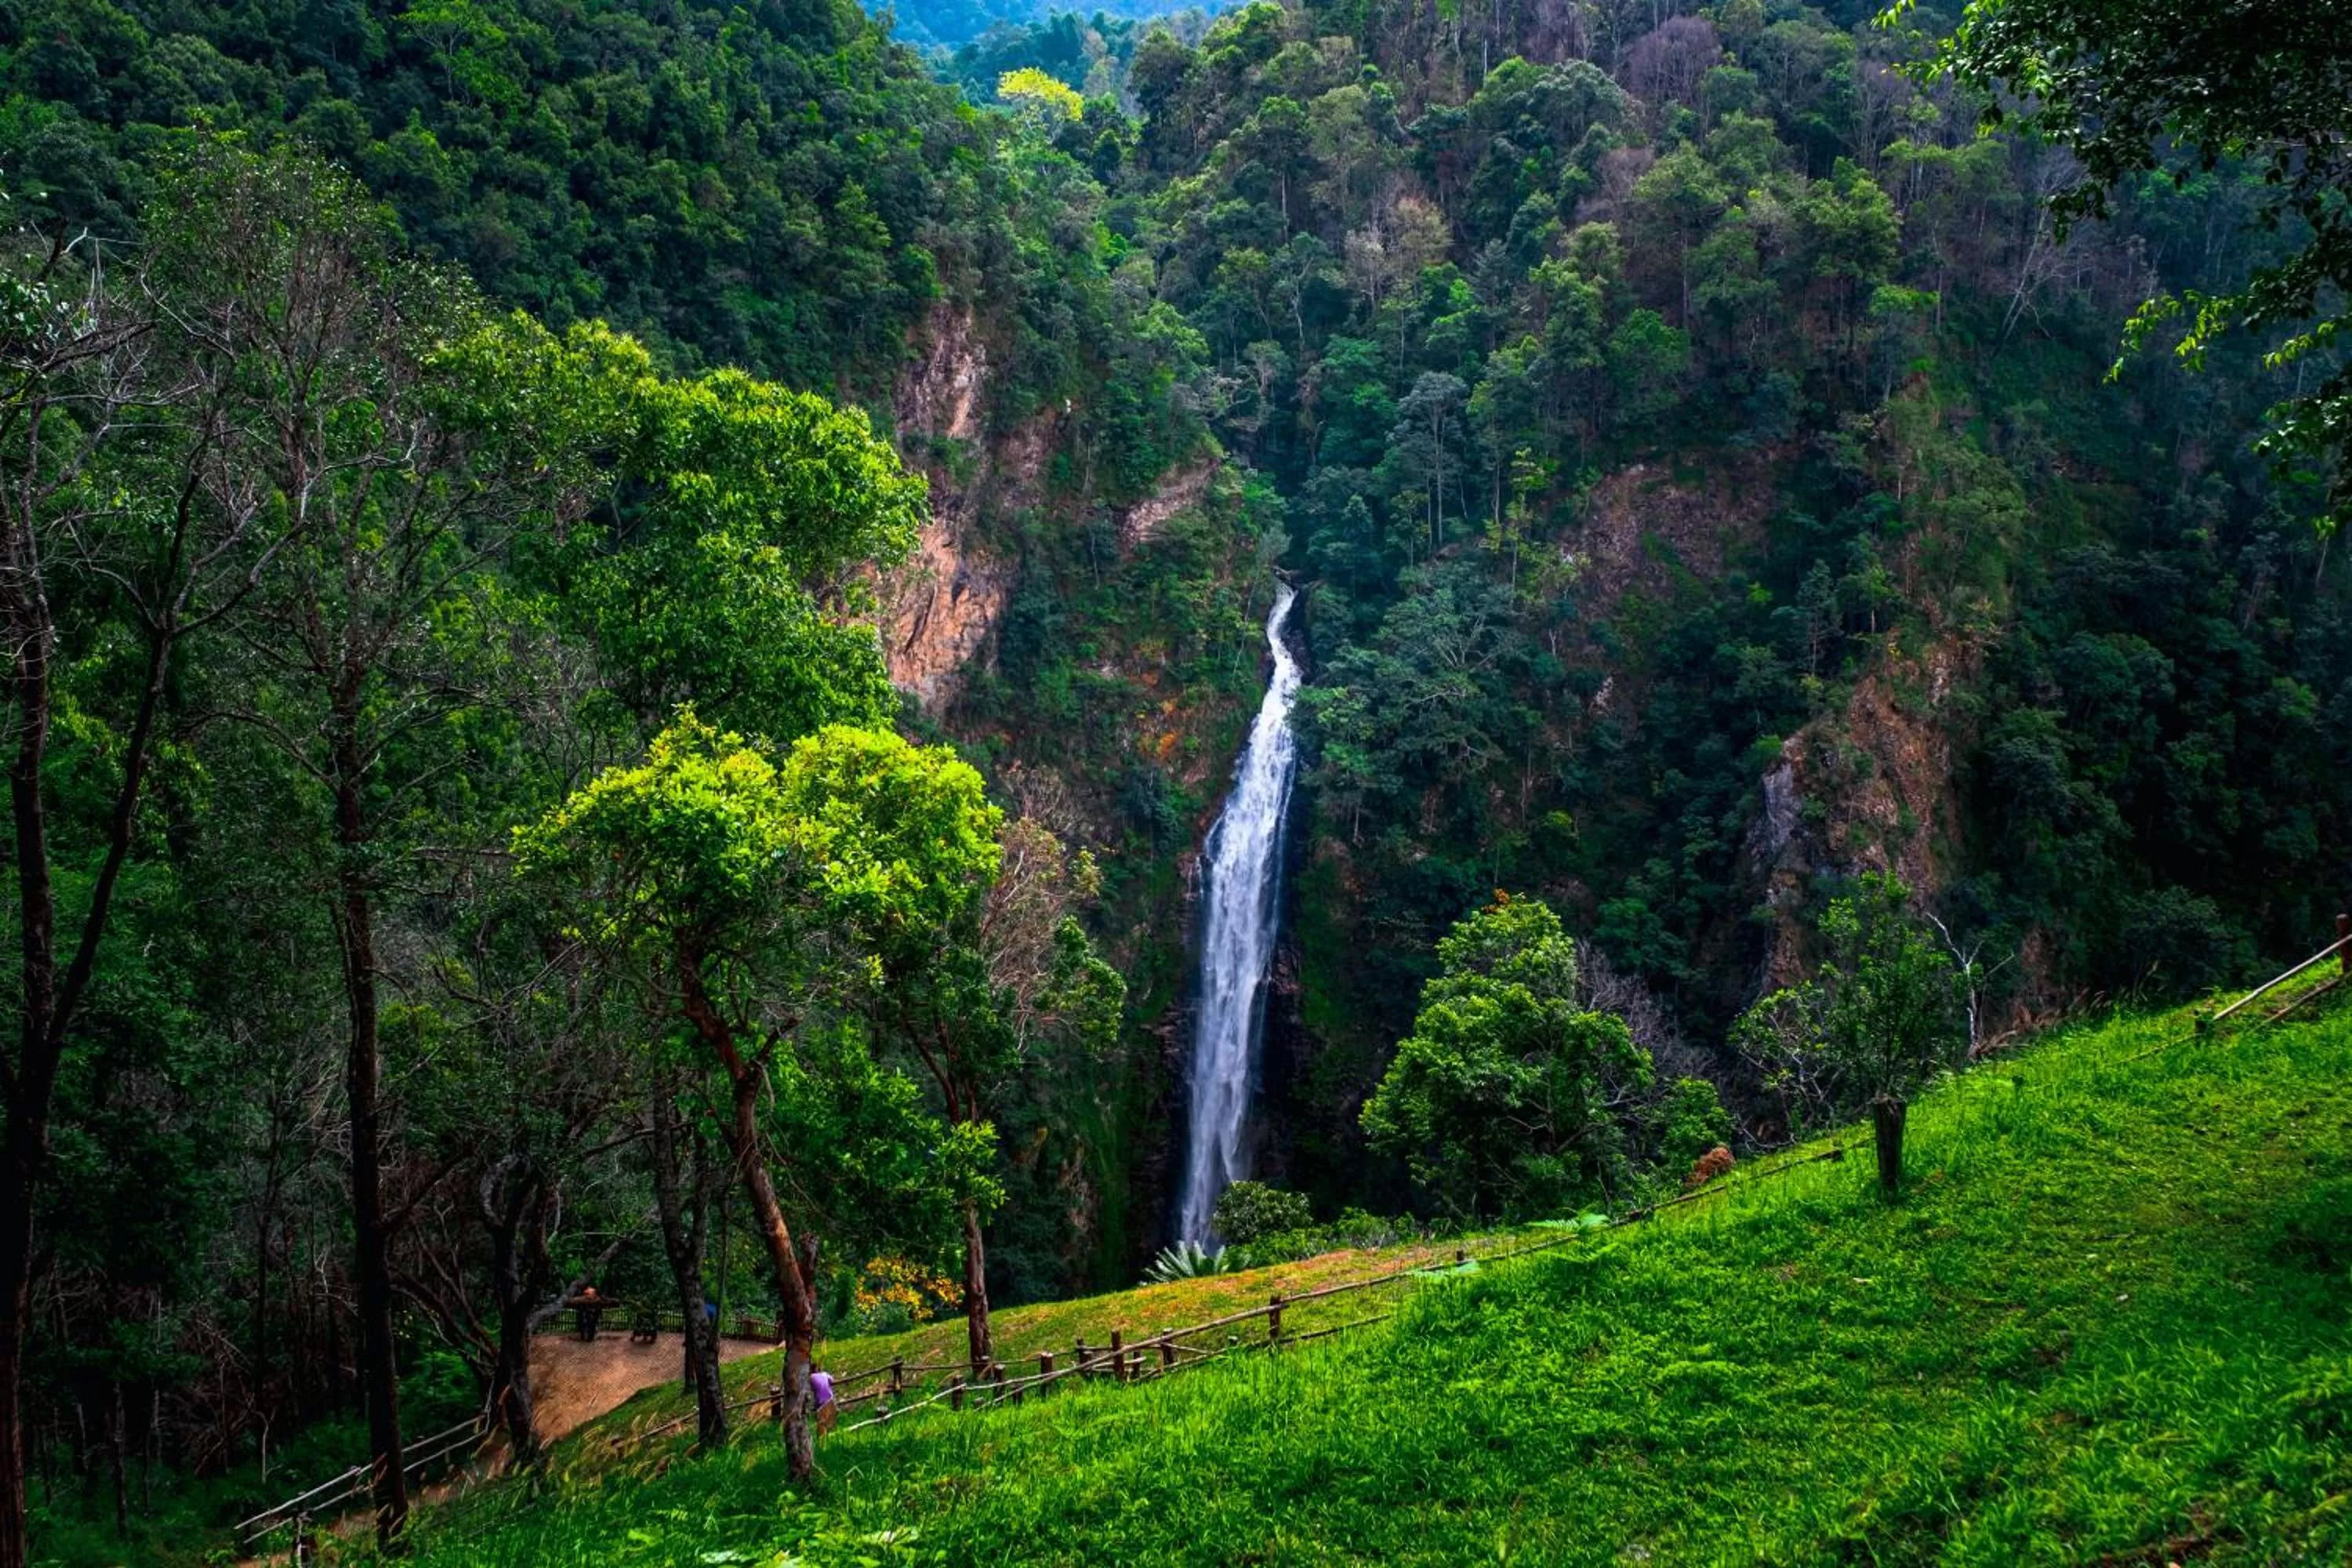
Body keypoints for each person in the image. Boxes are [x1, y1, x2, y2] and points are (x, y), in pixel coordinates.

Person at [810, 1366, 837, 1435]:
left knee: (821, 1424)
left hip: (820, 1402)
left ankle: (822, 1440)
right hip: (830, 1399)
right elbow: (832, 1380)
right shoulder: (825, 1374)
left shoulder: (811, 1377)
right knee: (829, 1423)